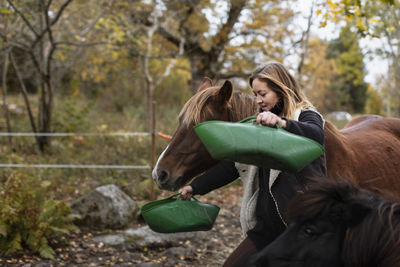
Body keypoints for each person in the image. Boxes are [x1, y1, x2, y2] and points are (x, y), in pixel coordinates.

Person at [179, 62, 327, 266]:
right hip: (266, 227)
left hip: (300, 226)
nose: (257, 100)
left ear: (281, 90)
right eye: (255, 94)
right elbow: (234, 165)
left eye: (262, 94)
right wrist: (196, 186)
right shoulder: (260, 123)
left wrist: (282, 123)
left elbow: (317, 135)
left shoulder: (305, 115)